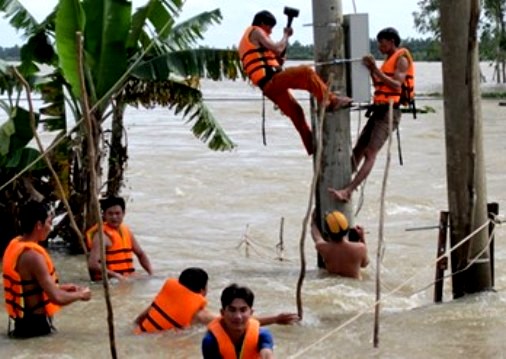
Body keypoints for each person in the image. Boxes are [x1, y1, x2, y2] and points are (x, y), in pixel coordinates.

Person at [238, 10, 353, 156]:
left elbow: (278, 55)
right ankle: (331, 100)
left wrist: (280, 53)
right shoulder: (256, 31)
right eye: (270, 28)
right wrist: (285, 35)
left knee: (296, 112)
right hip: (272, 81)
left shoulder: (251, 40)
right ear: (262, 24)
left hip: (268, 86)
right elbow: (278, 48)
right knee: (306, 72)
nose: (270, 32)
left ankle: (311, 146)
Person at [328, 27, 415, 202]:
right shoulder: (387, 60)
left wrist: (374, 69)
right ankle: (340, 181)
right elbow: (379, 84)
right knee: (359, 148)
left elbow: (397, 86)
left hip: (390, 111)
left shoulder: (402, 59)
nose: (379, 46)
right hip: (379, 109)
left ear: (391, 41)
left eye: (382, 42)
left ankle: (348, 191)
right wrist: (370, 69)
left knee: (370, 152)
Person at [2, 201, 91, 338]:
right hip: (35, 328)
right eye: (49, 222)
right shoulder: (34, 257)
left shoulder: (15, 246)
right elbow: (57, 298)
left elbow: (31, 288)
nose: (50, 228)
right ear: (38, 225)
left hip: (21, 326)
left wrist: (64, 287)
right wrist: (81, 295)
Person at [134, 268, 298, 334]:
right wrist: (276, 319)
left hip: (138, 334)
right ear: (202, 291)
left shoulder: (164, 299)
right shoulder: (199, 315)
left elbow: (138, 320)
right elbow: (235, 321)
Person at [86, 196, 153, 281]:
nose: (114, 217)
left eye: (117, 213)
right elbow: (93, 264)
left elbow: (141, 254)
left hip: (125, 278)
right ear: (104, 215)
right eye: (110, 214)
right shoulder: (101, 236)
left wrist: (151, 273)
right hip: (110, 281)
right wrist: (116, 276)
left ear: (123, 213)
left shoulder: (127, 232)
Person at [202, 284, 277, 359]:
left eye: (243, 310)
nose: (238, 316)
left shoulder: (262, 335)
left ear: (251, 313)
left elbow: (267, 353)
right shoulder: (210, 341)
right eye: (232, 310)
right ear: (222, 313)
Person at [311, 210, 368, 279]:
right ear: (347, 229)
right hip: (353, 286)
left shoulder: (323, 247)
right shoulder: (360, 248)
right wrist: (362, 237)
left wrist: (313, 221)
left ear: (327, 231)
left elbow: (316, 234)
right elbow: (364, 264)